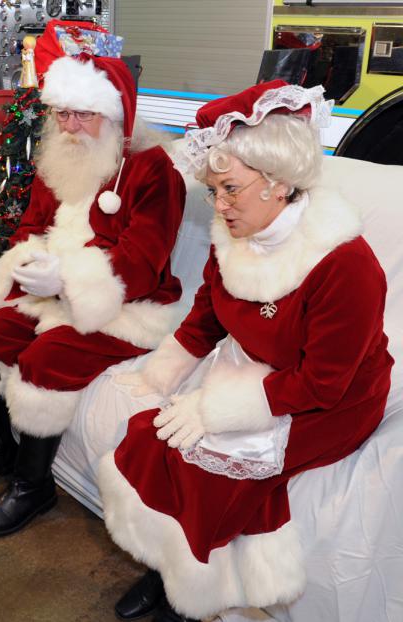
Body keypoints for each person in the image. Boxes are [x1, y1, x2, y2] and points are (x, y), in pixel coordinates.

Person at [98, 80, 393, 622]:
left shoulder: (346, 266)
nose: (220, 204)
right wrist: (163, 373)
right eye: (213, 191)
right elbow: (209, 313)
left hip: (335, 400)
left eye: (230, 188)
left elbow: (323, 384)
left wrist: (215, 409)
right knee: (150, 433)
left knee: (212, 467)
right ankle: (169, 562)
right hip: (261, 369)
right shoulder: (232, 233)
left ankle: (190, 589)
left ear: (278, 183)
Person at [0, 20, 187, 539]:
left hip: (125, 307)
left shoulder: (151, 170)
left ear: (114, 115)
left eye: (83, 114)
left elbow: (142, 263)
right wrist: (29, 261)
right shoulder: (61, 155)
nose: (70, 126)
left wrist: (68, 278)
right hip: (51, 294)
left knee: (42, 363)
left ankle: (34, 487)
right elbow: (31, 226)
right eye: (62, 113)